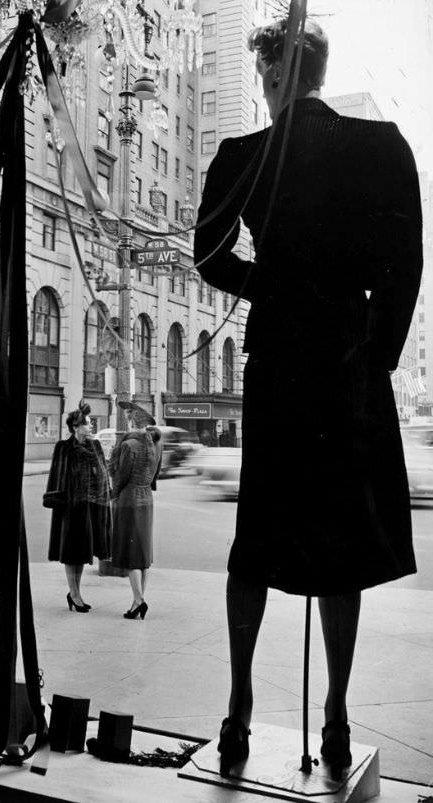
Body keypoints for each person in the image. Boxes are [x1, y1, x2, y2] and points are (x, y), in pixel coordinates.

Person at [195, 17, 421, 780]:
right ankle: (334, 711)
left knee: (259, 526)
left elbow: (209, 250)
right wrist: (375, 346)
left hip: (281, 359)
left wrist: (273, 288)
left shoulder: (246, 158)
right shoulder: (380, 148)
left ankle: (239, 708)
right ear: (320, 70)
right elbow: (406, 260)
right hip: (348, 359)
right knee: (342, 540)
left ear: (269, 78)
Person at [46, 401, 112, 612]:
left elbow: (103, 474)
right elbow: (56, 476)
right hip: (70, 508)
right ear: (76, 427)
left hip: (89, 506)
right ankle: (74, 593)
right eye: (87, 423)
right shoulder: (63, 448)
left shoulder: (95, 445)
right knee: (71, 552)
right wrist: (57, 499)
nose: (91, 427)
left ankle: (76, 592)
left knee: (82, 552)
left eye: (91, 423)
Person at [110, 402, 162, 620]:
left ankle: (139, 601)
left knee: (131, 557)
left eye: (129, 415)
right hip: (147, 499)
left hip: (129, 500)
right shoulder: (156, 444)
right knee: (143, 554)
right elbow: (156, 473)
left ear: (132, 420)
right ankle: (135, 602)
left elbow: (121, 475)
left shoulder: (128, 445)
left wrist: (114, 493)